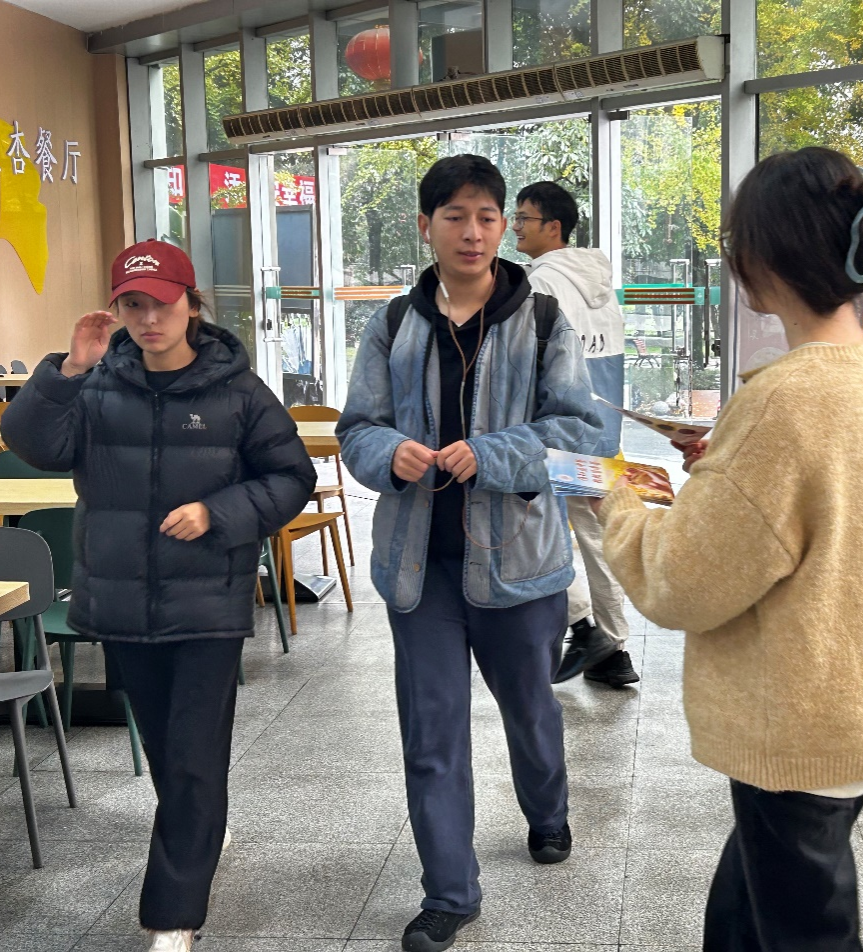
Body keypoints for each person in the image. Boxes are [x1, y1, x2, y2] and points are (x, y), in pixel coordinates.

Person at [592, 147, 863, 951]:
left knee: (801, 933)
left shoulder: (783, 399)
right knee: (743, 918)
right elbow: (825, 512)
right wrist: (726, 471)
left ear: (760, 258)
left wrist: (615, 496)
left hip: (801, 726)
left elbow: (679, 582)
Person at [0, 240, 316, 952]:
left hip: (207, 604)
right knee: (169, 750)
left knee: (194, 756)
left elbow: (292, 477)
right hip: (121, 603)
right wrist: (67, 371)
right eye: (133, 305)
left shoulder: (239, 391)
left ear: (192, 305)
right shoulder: (96, 385)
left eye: (163, 303)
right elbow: (32, 443)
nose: (149, 318)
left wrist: (217, 513)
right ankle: (200, 829)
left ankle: (173, 917)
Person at [336, 155, 608, 952]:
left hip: (520, 564)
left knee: (530, 708)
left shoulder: (543, 320)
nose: (473, 231)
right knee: (432, 734)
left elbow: (581, 436)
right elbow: (356, 428)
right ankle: (449, 893)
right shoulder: (393, 323)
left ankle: (547, 810)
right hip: (420, 569)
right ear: (426, 226)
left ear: (503, 228)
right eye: (454, 215)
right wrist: (388, 453)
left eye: (488, 216)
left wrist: (490, 454)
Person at [513, 181, 639, 688]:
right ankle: (614, 649)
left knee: (529, 529)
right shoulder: (600, 286)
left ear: (554, 227)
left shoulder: (543, 283)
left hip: (559, 432)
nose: (515, 227)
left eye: (524, 218)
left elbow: (531, 365)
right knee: (595, 536)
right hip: (602, 432)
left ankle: (584, 625)